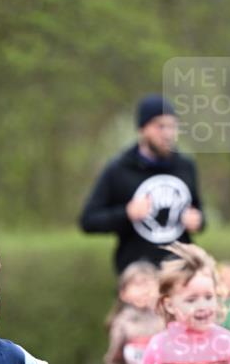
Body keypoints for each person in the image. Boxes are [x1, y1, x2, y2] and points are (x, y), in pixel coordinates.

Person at [79, 94, 205, 274]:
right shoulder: (119, 168)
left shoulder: (185, 166)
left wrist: (198, 220)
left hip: (180, 274)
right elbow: (88, 221)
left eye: (172, 126)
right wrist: (126, 213)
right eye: (160, 126)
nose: (168, 133)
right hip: (138, 277)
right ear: (142, 128)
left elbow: (199, 212)